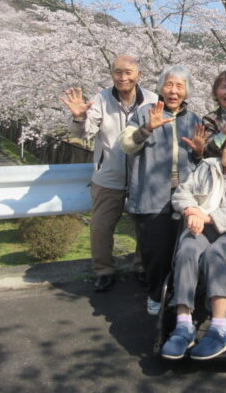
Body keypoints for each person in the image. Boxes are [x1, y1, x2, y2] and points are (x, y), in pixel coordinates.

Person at [161, 131, 226, 360]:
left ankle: (220, 328)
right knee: (187, 249)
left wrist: (206, 217)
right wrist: (190, 211)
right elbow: (183, 192)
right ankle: (183, 325)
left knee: (214, 254)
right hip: (202, 226)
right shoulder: (207, 166)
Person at [62, 55, 157, 293]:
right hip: (108, 176)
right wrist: (78, 116)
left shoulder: (153, 101)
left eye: (128, 72)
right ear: (111, 74)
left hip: (142, 177)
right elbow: (83, 134)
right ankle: (104, 270)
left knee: (145, 227)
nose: (123, 77)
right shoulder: (100, 100)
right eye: (117, 72)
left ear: (139, 75)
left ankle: (142, 267)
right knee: (101, 227)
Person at [119, 65, 205, 316]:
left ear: (187, 91)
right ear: (160, 88)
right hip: (151, 197)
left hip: (185, 198)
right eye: (169, 85)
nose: (174, 91)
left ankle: (181, 297)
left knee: (185, 250)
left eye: (180, 86)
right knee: (155, 253)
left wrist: (200, 152)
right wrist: (147, 128)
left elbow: (199, 163)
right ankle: (156, 295)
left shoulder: (194, 119)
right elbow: (126, 144)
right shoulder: (145, 112)